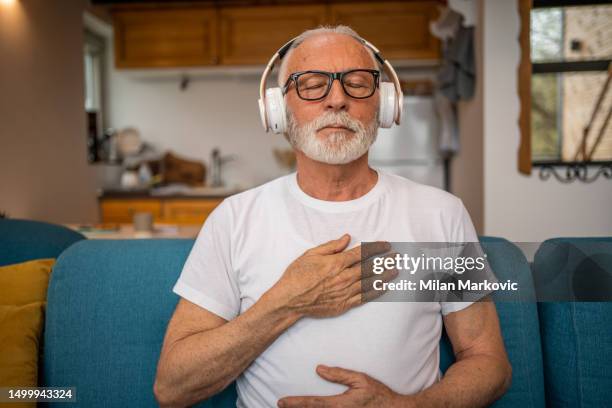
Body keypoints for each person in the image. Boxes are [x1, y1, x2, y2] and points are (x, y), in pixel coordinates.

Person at [154, 25, 511, 408]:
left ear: (385, 104)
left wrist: (404, 407)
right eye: (311, 84)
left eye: (357, 83)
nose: (337, 99)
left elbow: (489, 361)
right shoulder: (234, 219)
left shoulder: (443, 214)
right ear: (277, 109)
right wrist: (287, 301)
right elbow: (173, 388)